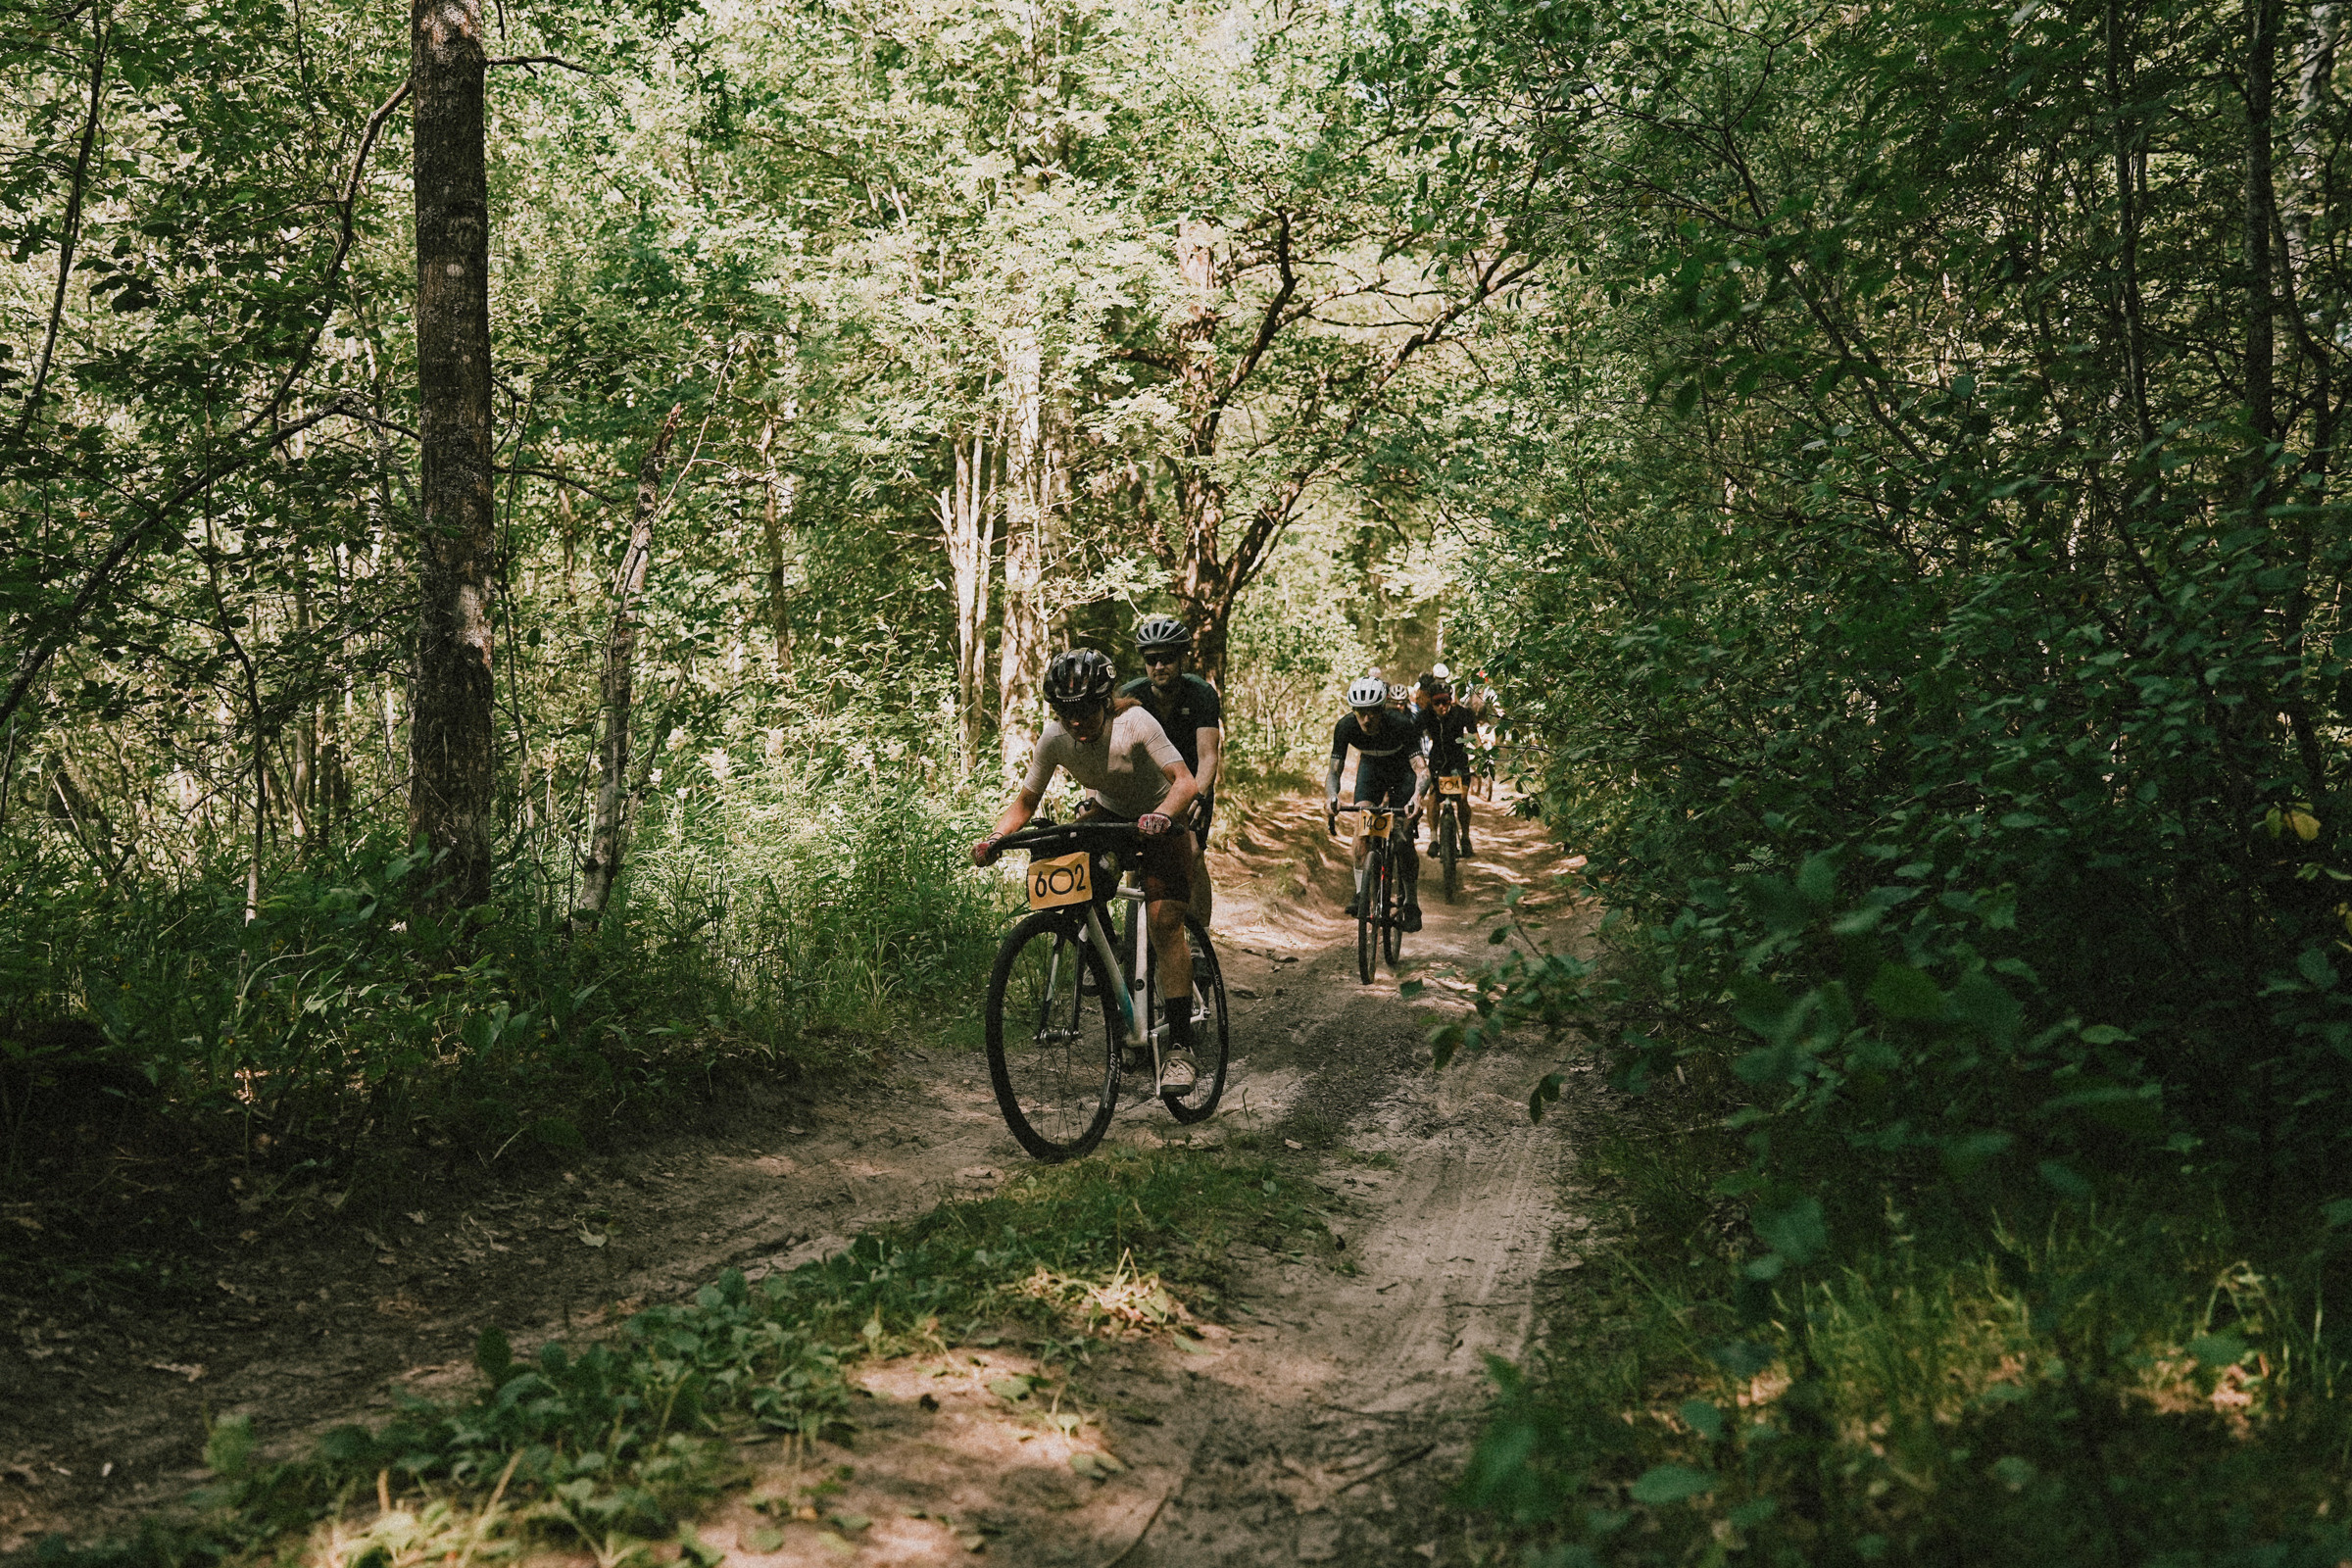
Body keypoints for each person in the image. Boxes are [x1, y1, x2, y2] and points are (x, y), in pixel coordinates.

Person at [972, 649, 1203, 1092]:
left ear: (1104, 700)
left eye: (1083, 711)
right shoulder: (1054, 737)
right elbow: (1026, 802)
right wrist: (996, 839)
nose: (1074, 722)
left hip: (1160, 817)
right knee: (1062, 862)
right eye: (1064, 712)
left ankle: (1182, 1048)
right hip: (1110, 814)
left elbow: (1185, 782)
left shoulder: (1136, 724)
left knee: (1164, 921)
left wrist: (1162, 817)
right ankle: (1107, 955)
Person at [1114, 615, 1222, 923]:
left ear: (1181, 658)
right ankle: (1136, 943)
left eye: (1168, 658)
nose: (1159, 666)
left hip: (1192, 784)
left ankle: (1201, 942)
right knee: (1138, 862)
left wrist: (1196, 798)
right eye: (1152, 659)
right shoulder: (1131, 696)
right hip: (1147, 786)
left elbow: (1208, 756)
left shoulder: (1201, 694)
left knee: (1192, 853)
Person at [1327, 675, 1425, 931]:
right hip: (1370, 770)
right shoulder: (1345, 726)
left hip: (1401, 771)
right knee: (1363, 829)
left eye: (1372, 713)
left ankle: (1412, 904)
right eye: (1360, 713)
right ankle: (1361, 893)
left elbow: (1421, 770)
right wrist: (1332, 796)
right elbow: (1334, 772)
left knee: (1403, 836)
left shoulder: (1402, 724)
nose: (1366, 719)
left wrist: (1417, 797)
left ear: (1383, 710)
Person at [1416, 680, 1480, 856]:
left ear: (1451, 700)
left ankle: (1466, 838)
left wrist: (1482, 756)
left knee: (1462, 799)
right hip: (1437, 760)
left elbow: (1474, 736)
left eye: (1445, 701)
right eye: (1437, 703)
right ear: (1431, 703)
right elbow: (1412, 739)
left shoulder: (1463, 713)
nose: (1442, 706)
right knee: (1434, 797)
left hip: (1459, 759)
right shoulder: (1425, 715)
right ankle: (1434, 838)